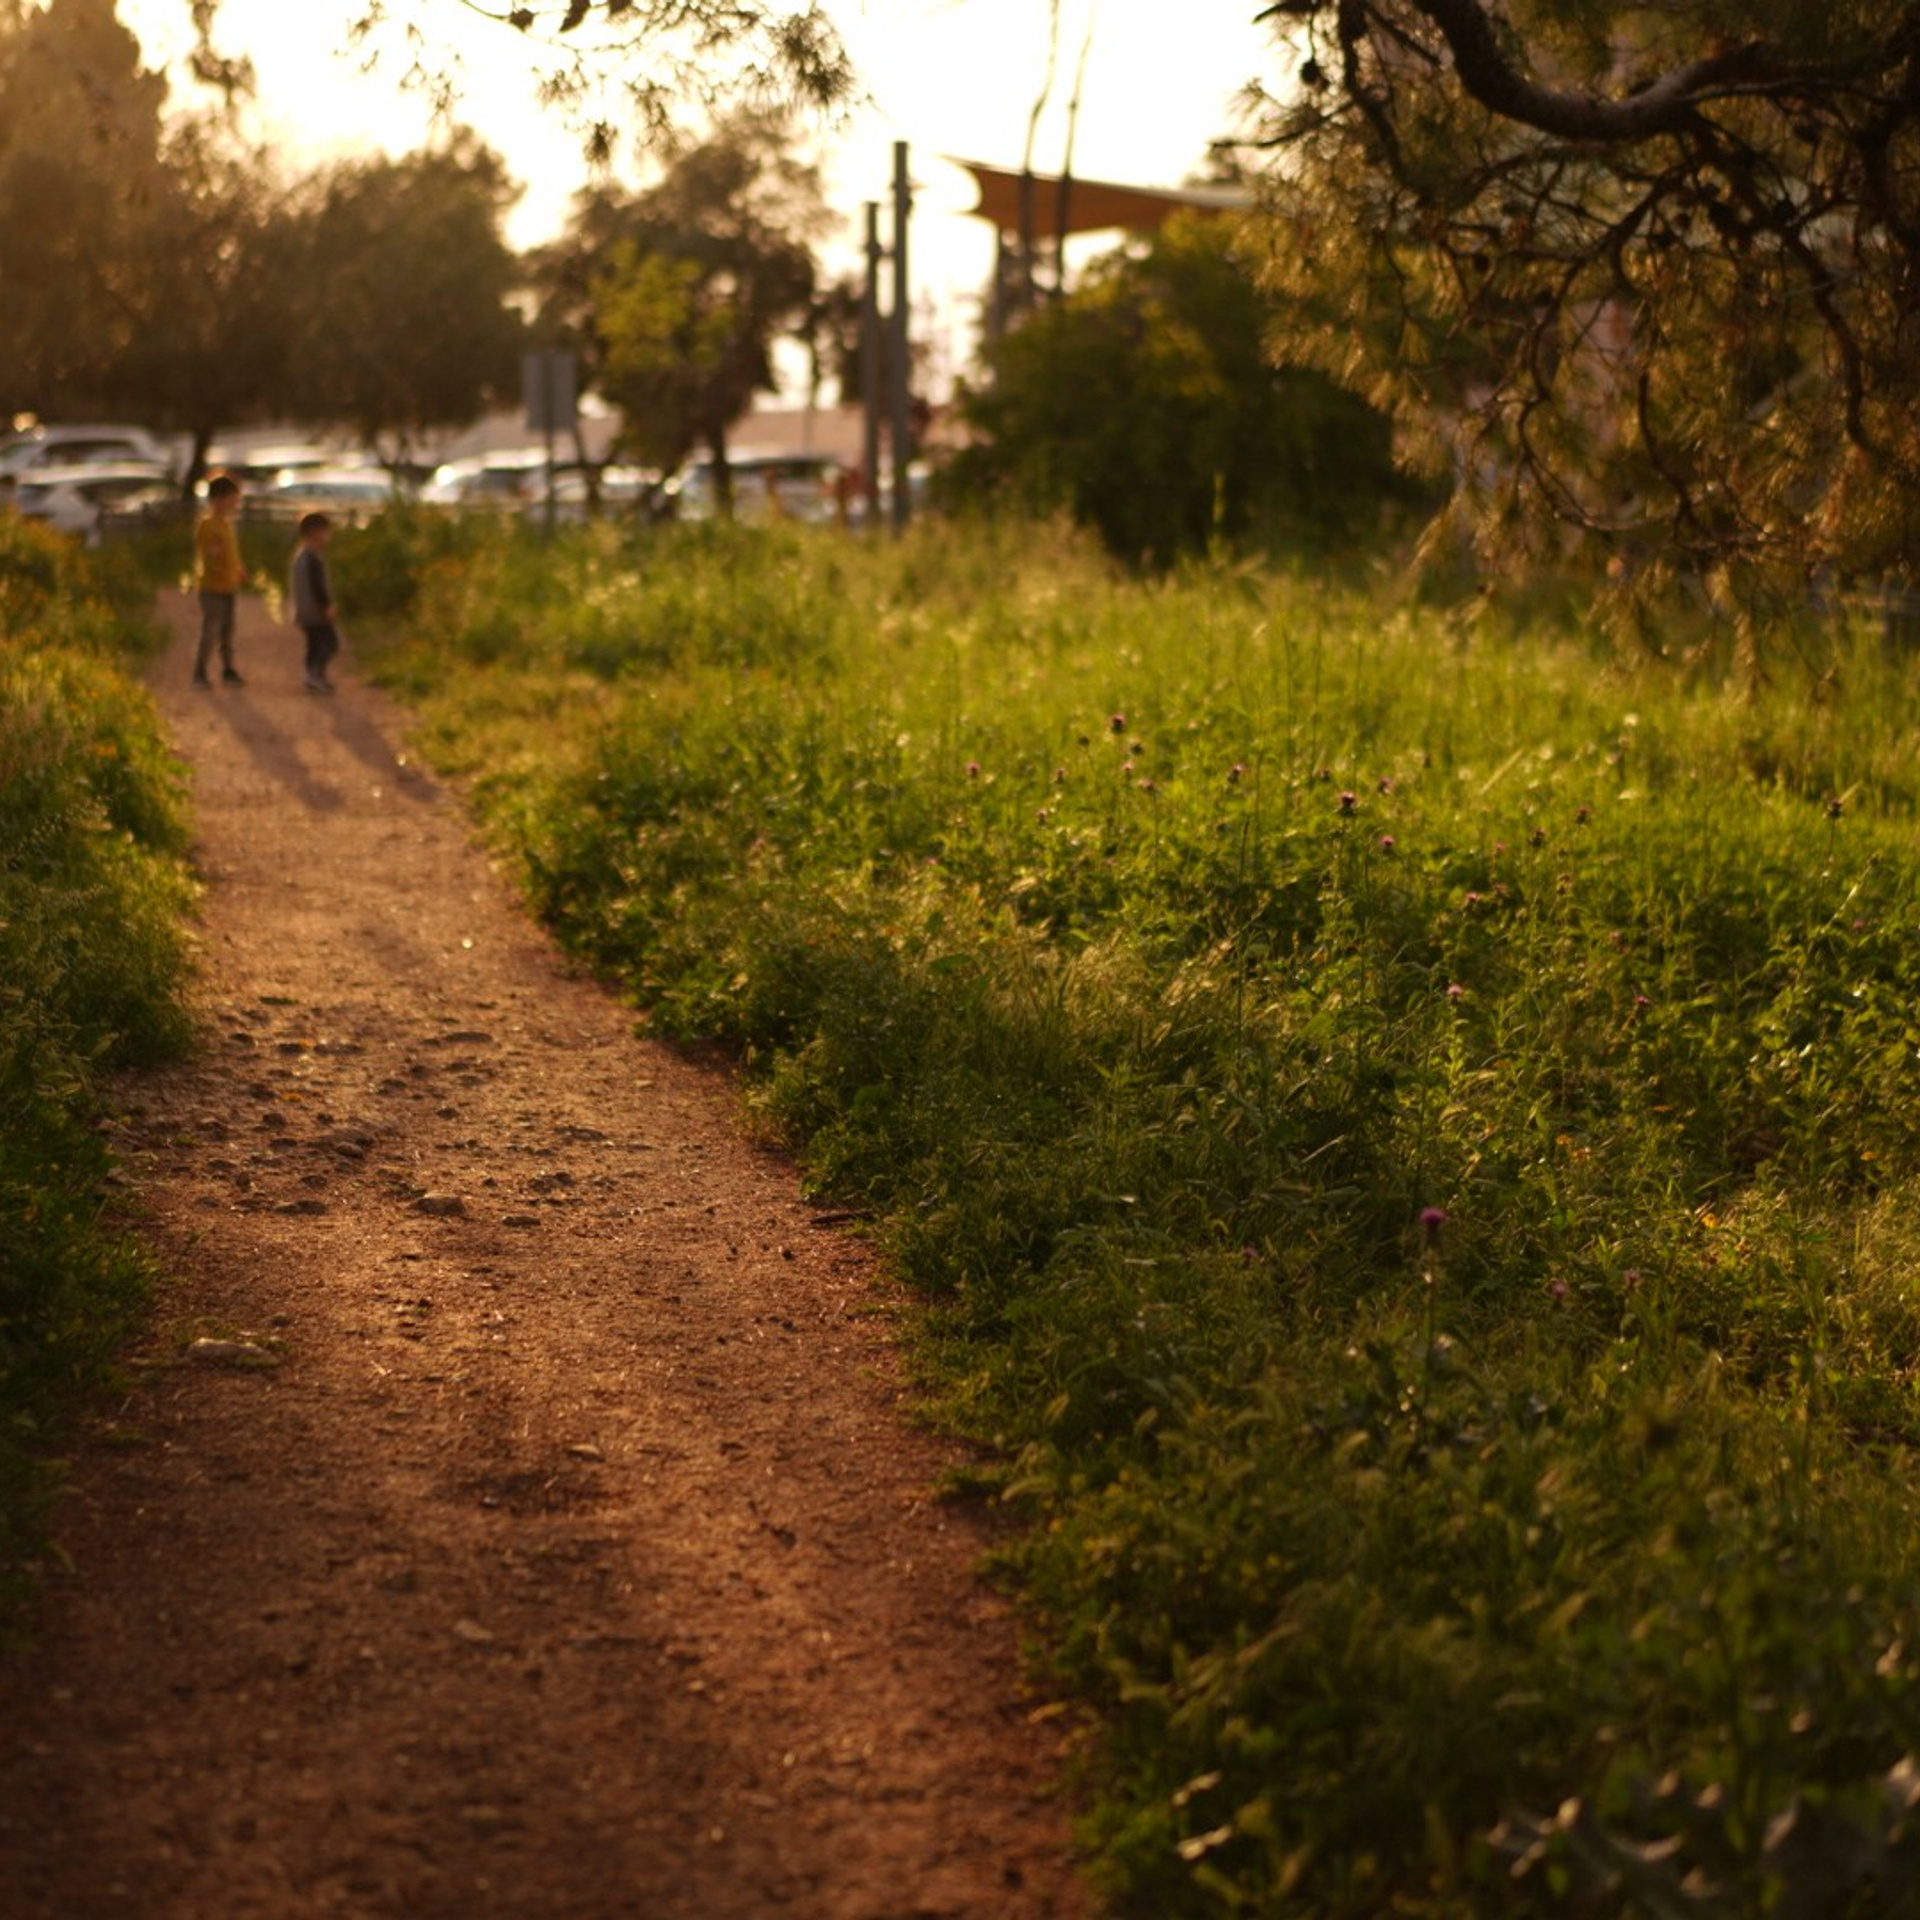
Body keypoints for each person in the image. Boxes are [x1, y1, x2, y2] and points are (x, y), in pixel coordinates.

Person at [191, 474, 249, 687]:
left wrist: (238, 570)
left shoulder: (226, 525)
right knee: (211, 629)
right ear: (218, 500)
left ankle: (228, 669)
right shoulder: (208, 526)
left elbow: (232, 554)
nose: (235, 503)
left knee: (227, 630)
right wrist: (221, 563)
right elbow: (211, 556)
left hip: (228, 586)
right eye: (232, 498)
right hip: (212, 587)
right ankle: (199, 673)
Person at [288, 510, 340, 694]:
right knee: (330, 643)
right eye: (326, 531)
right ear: (316, 532)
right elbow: (317, 587)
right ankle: (315, 673)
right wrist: (327, 606)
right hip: (315, 611)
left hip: (305, 611)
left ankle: (314, 676)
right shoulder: (311, 558)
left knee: (314, 644)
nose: (328, 536)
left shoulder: (302, 555)